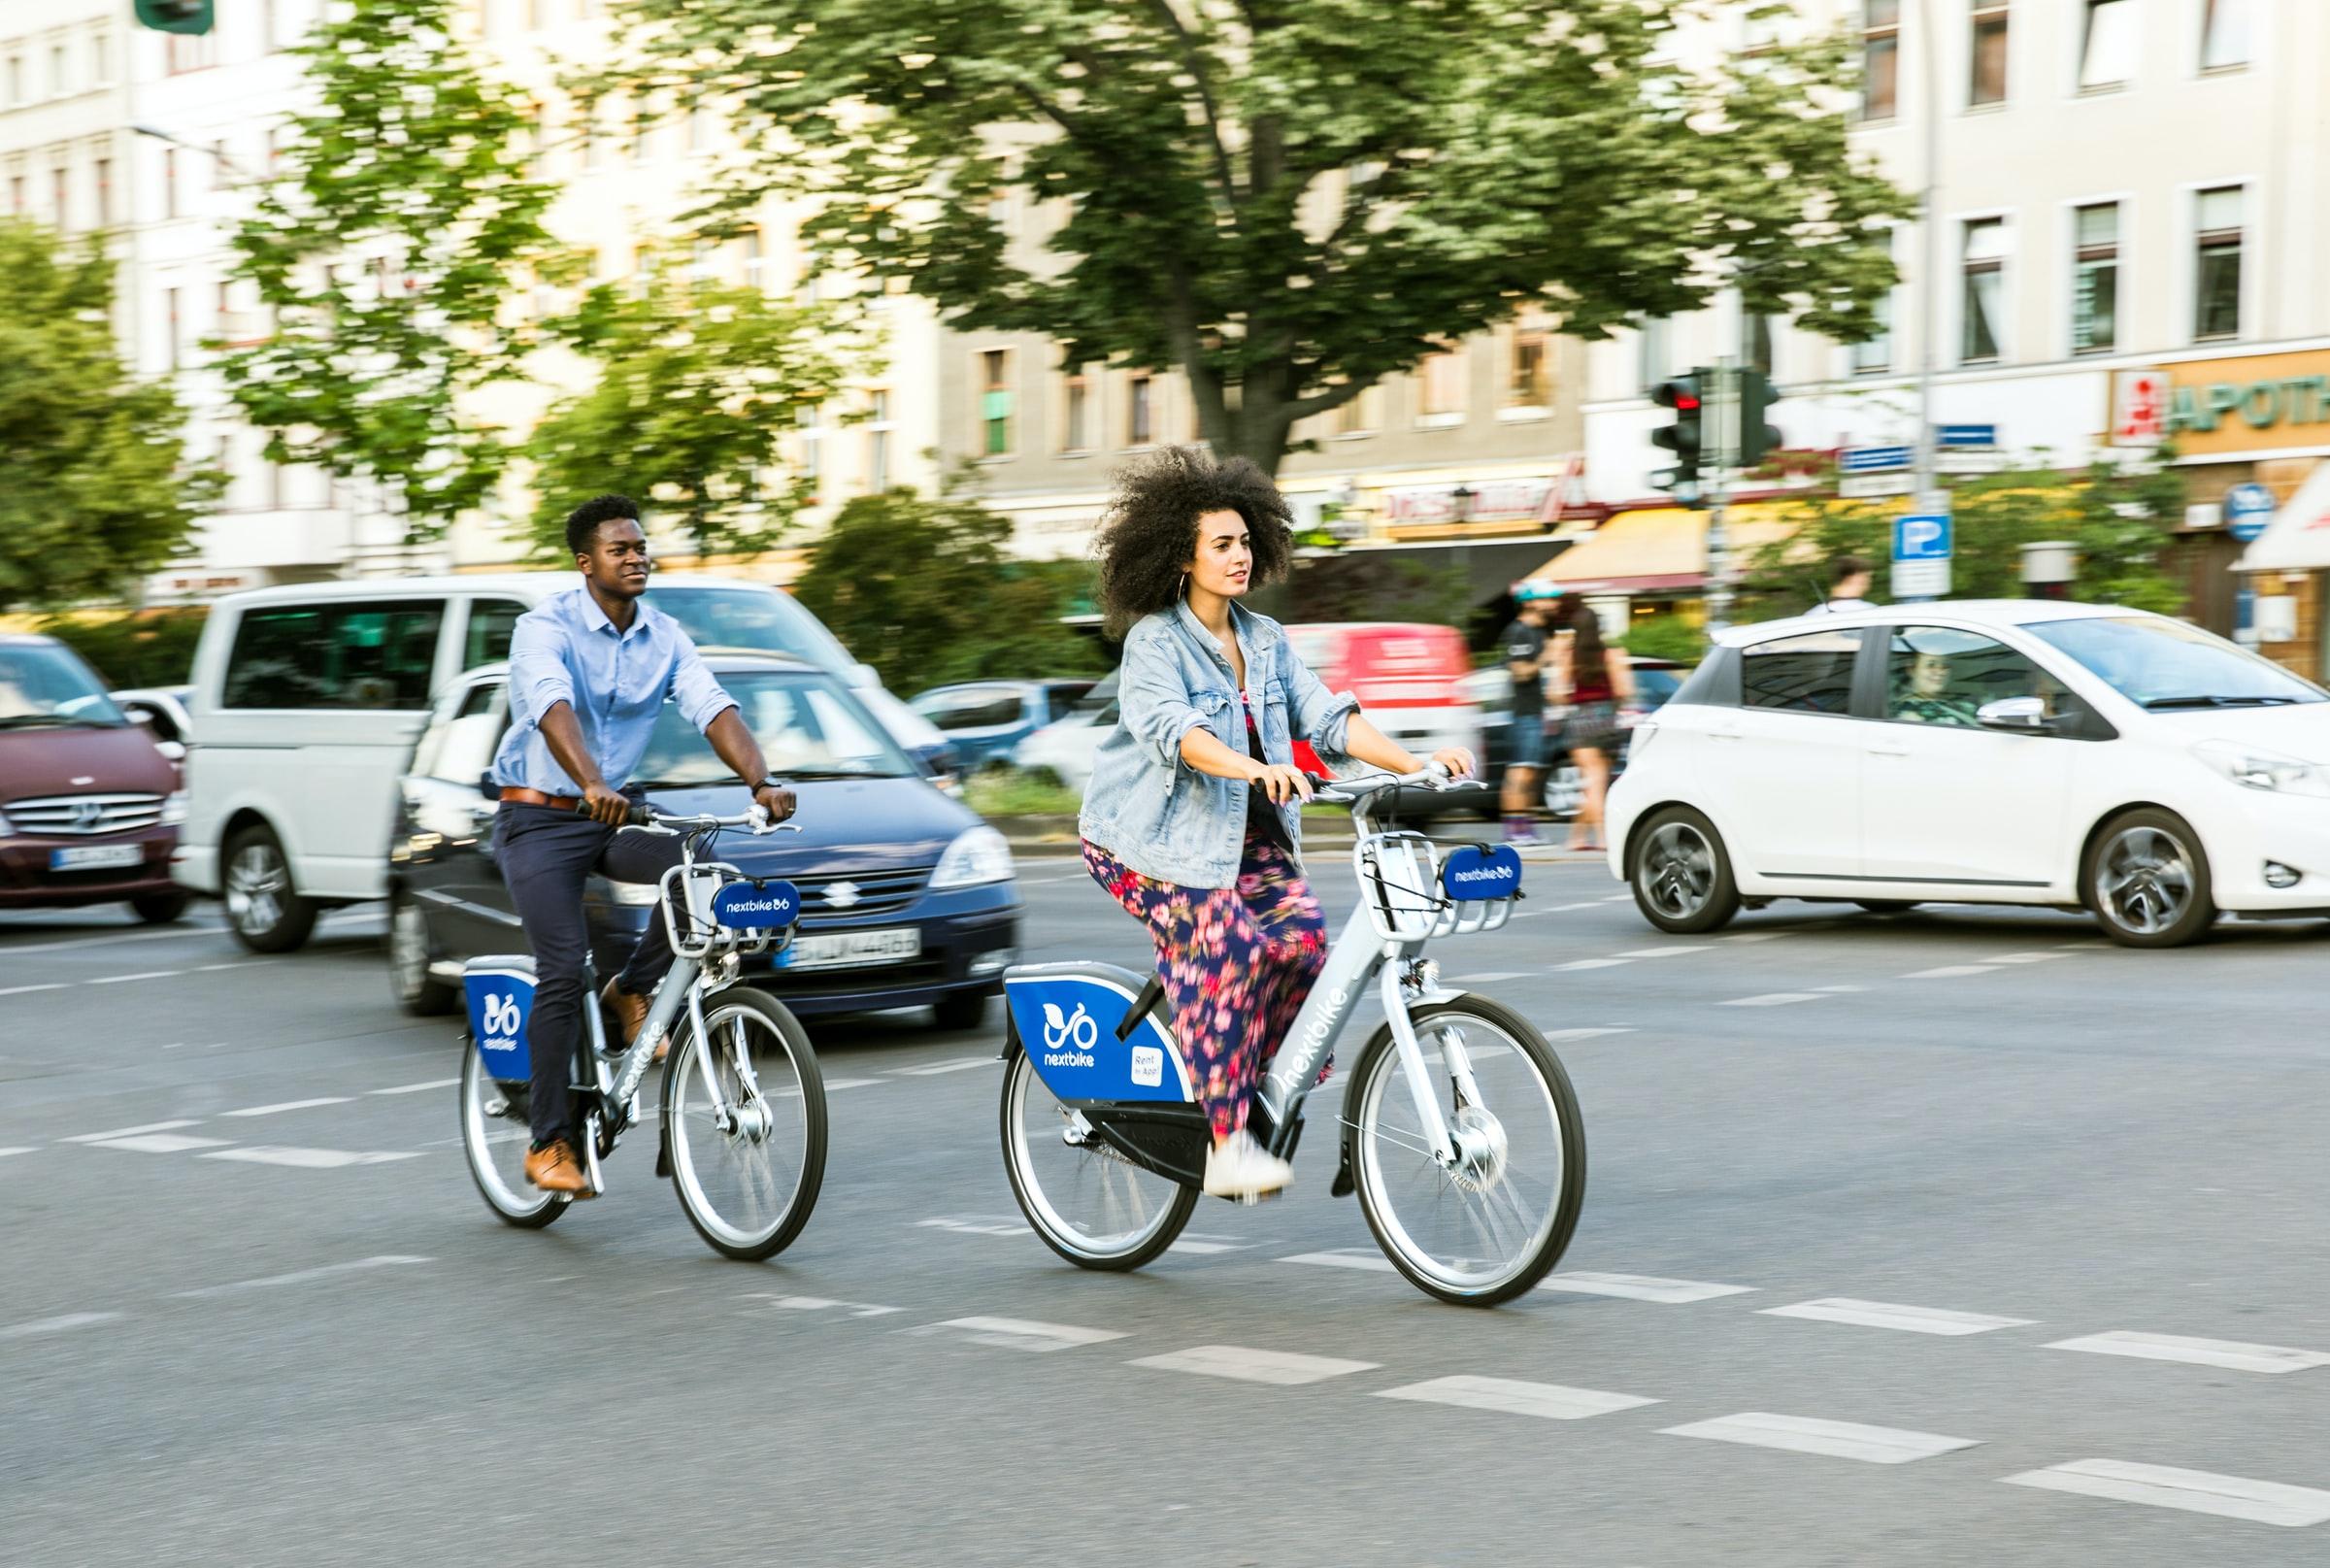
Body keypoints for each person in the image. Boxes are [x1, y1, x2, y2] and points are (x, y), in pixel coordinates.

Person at [1080, 448, 1476, 1201]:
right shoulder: (1154, 643)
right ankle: (1228, 1144)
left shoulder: (1263, 639)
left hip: (1240, 837)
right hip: (1148, 841)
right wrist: (1253, 765)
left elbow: (1328, 719)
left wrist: (1413, 762)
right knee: (1225, 943)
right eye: (1220, 543)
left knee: (1300, 940)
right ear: (1180, 555)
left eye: (1244, 541)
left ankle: (1232, 1065)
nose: (1238, 555)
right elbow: (1177, 731)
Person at [489, 494, 797, 1197]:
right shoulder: (545, 627)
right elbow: (549, 703)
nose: (636, 558)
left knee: (701, 877)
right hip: (537, 816)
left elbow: (712, 705)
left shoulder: (664, 635)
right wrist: (591, 779)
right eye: (619, 549)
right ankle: (548, 1141)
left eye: (640, 546)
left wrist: (762, 779)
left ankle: (631, 986)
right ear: (585, 562)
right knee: (562, 969)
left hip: (610, 812)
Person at [1551, 598, 1633, 853]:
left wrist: (1573, 698)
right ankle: (1579, 837)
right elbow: (1624, 690)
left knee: (1593, 781)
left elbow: (1554, 693)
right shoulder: (1611, 654)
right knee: (1596, 781)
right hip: (1606, 718)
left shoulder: (1569, 657)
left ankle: (1600, 836)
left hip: (1580, 720)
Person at [1496, 583, 1562, 846]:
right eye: (1549, 599)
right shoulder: (1519, 632)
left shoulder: (1538, 632)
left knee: (1532, 773)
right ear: (1530, 602)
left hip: (1538, 713)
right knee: (1520, 771)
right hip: (1524, 714)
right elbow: (1521, 672)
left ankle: (1526, 828)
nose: (1555, 604)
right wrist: (1548, 654)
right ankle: (1514, 831)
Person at [1806, 554, 1874, 616]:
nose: (1869, 580)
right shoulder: (1869, 611)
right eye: (1867, 576)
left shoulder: (1814, 614)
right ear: (1855, 577)